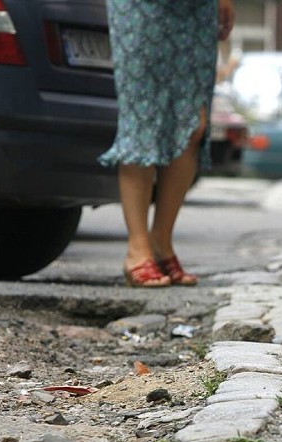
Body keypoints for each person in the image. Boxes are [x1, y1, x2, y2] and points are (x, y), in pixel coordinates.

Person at [100, 0, 236, 287]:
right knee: (142, 118)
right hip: (143, 8)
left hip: (196, 11)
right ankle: (137, 250)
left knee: (193, 126)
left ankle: (161, 242)